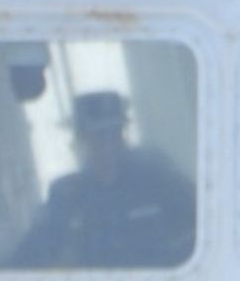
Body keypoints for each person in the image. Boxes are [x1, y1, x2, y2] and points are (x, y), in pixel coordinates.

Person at [13, 91, 196, 270]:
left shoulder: (157, 181)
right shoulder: (65, 196)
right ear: (81, 141)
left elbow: (205, 225)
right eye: (98, 137)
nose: (107, 146)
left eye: (113, 134)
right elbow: (34, 251)